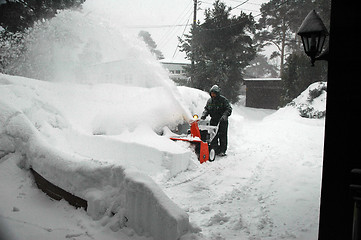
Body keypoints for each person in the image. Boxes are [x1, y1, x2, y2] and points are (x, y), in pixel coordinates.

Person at [201, 85, 232, 156]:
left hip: (222, 121)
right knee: (213, 135)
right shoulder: (210, 101)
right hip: (213, 120)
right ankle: (214, 149)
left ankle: (222, 150)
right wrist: (204, 115)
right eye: (212, 93)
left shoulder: (223, 100)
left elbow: (228, 109)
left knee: (222, 136)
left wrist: (224, 115)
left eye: (214, 93)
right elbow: (207, 109)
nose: (213, 95)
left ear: (217, 93)